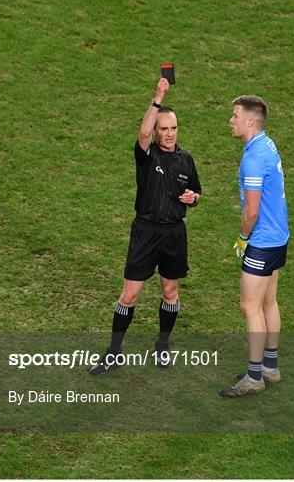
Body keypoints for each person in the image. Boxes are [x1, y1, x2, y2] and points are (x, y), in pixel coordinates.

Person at [90, 78, 202, 376]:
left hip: (174, 233)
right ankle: (114, 352)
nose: (168, 134)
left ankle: (162, 345)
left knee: (170, 291)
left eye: (173, 128)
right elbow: (141, 132)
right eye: (163, 129)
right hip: (146, 232)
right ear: (155, 131)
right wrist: (158, 96)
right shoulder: (146, 154)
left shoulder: (186, 160)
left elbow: (195, 193)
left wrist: (193, 197)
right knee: (129, 295)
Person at [220, 95, 289, 397]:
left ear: (250, 121)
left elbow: (252, 210)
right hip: (279, 238)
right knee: (268, 302)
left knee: (250, 306)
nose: (231, 121)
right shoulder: (267, 144)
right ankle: (269, 366)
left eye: (235, 116)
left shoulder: (252, 158)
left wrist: (242, 238)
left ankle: (254, 376)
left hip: (261, 242)